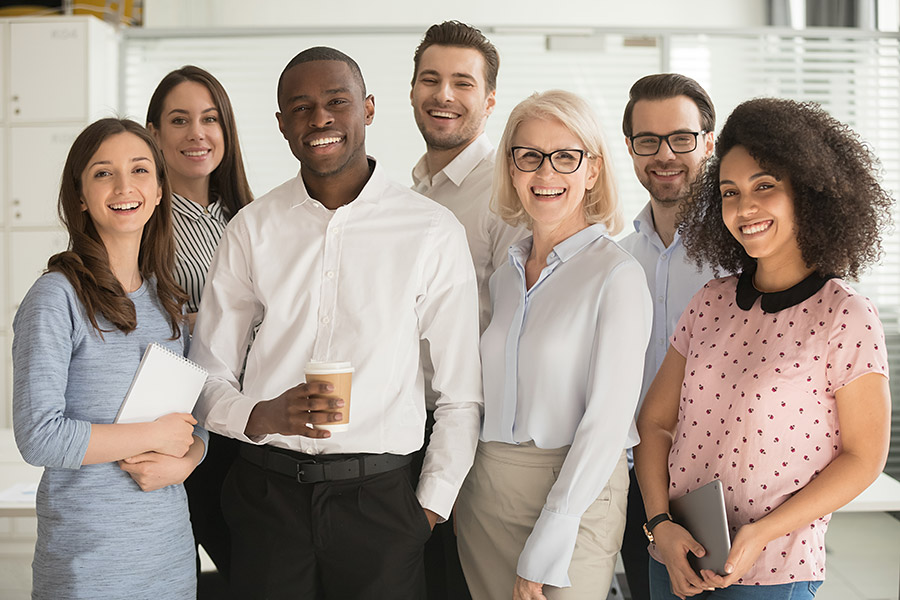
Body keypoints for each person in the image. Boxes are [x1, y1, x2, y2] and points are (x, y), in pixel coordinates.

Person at [189, 46, 483, 600]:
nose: (319, 119)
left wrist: (428, 508)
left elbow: (460, 394)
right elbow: (207, 376)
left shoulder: (430, 231)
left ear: (368, 110)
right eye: (300, 107)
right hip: (265, 495)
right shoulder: (251, 230)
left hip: (382, 503)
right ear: (281, 124)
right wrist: (260, 414)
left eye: (336, 102)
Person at [635, 98, 892, 600]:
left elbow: (864, 456)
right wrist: (659, 525)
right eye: (730, 192)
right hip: (678, 561)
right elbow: (656, 422)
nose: (744, 208)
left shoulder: (845, 315)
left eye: (765, 186)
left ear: (809, 191)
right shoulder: (710, 301)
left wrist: (762, 532)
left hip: (774, 572)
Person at [455, 89, 652, 600]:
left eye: (566, 156)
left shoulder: (618, 276)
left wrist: (553, 531)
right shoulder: (504, 276)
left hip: (576, 492)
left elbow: (607, 424)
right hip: (487, 490)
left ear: (592, 170)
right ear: (511, 167)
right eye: (529, 156)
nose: (545, 174)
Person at [12, 118, 208, 599]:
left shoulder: (168, 300)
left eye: (140, 170)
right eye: (103, 173)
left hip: (170, 559)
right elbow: (39, 437)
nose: (124, 186)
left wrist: (190, 458)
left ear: (160, 190)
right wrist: (153, 436)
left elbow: (193, 419)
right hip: (89, 568)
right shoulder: (56, 298)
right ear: (79, 196)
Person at [409, 21, 525, 600]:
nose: (444, 95)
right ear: (411, 91)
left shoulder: (506, 190)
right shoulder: (412, 189)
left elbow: (519, 326)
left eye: (462, 82)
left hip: (476, 432)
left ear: (489, 99)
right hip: (410, 427)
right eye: (431, 79)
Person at [145, 64, 253, 586]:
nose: (197, 133)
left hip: (247, 426)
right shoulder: (144, 219)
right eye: (179, 120)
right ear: (155, 135)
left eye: (210, 119)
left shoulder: (248, 217)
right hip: (179, 428)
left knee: (257, 575)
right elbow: (139, 322)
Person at [617, 73, 717, 600]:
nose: (665, 155)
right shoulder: (617, 257)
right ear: (630, 148)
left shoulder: (742, 256)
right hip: (635, 478)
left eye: (682, 138)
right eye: (648, 141)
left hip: (716, 482)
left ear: (710, 142)